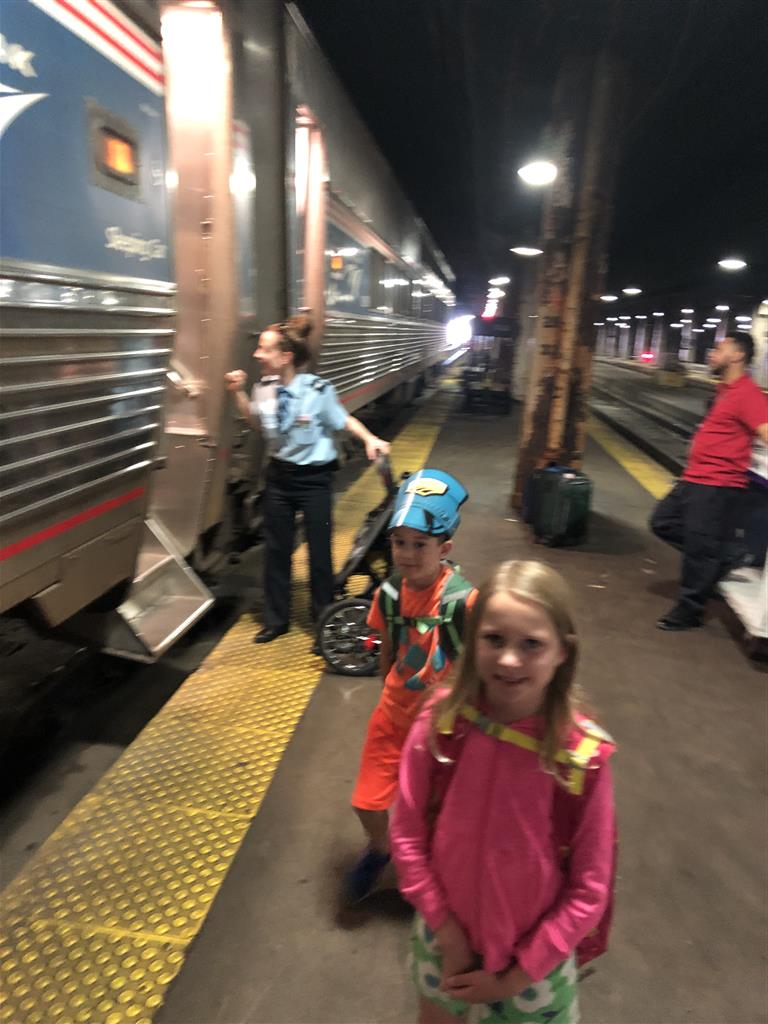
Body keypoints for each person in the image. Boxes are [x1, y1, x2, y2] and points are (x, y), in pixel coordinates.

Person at [390, 560, 616, 1024]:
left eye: (531, 644)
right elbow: (407, 834)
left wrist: (515, 978)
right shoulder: (442, 723)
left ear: (562, 653)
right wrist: (447, 931)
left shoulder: (579, 757)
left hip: (536, 958)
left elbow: (589, 889)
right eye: (494, 639)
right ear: (472, 641)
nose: (509, 660)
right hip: (442, 933)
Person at [345, 468, 476, 903]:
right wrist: (388, 687)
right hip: (393, 715)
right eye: (399, 542)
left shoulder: (464, 601)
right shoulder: (389, 595)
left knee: (435, 809)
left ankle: (434, 872)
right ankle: (380, 848)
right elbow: (386, 648)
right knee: (366, 801)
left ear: (445, 548)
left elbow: (476, 662)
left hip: (441, 725)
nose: (407, 553)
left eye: (420, 544)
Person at [225, 314, 390, 649]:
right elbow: (258, 425)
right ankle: (276, 620)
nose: (257, 355)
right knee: (276, 551)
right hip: (279, 478)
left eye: (264, 349)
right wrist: (238, 393)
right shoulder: (263, 390)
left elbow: (344, 421)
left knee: (319, 553)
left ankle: (323, 621)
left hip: (315, 480)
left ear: (285, 356)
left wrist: (370, 438)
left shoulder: (318, 391)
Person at [650, 331, 768, 630]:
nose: (712, 354)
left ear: (737, 356)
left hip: (718, 483)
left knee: (700, 548)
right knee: (662, 522)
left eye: (720, 349)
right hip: (695, 477)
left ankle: (690, 610)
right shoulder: (724, 391)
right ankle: (729, 556)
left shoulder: (748, 394)